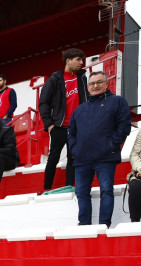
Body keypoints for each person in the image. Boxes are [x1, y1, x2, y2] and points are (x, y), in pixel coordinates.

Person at [68, 72, 131, 227]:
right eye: (92, 83)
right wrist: (74, 149)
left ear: (107, 83)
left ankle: (104, 224)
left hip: (106, 156)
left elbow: (124, 126)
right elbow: (71, 132)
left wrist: (112, 145)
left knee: (106, 191)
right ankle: (84, 224)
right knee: (81, 193)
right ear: (88, 86)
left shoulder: (118, 101)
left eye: (99, 82)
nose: (95, 86)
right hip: (82, 158)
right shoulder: (80, 109)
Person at [39, 48, 88, 192]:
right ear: (68, 60)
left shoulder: (82, 78)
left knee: (73, 158)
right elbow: (44, 102)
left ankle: (68, 187)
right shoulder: (55, 79)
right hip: (59, 126)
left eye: (82, 60)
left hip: (76, 127)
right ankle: (46, 188)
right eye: (78, 59)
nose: (81, 63)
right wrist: (49, 124)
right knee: (53, 158)